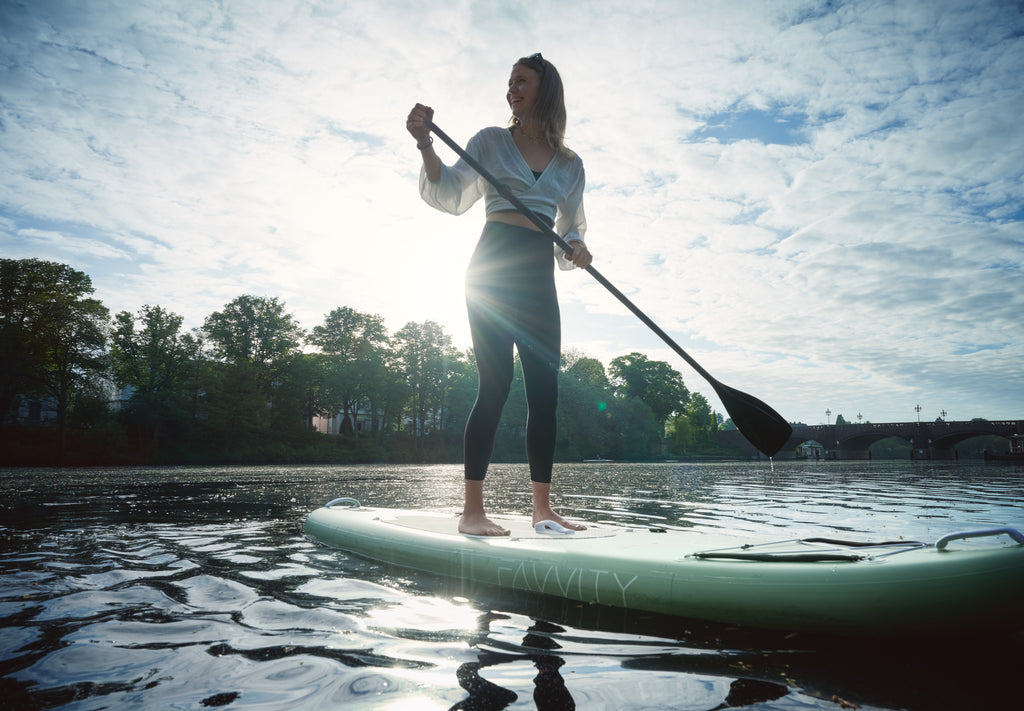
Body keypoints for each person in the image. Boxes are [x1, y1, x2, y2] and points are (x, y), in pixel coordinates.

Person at [406, 53, 592, 536]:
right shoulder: (489, 142)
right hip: (491, 271)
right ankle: (471, 511)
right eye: (509, 83)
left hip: (537, 280)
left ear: (545, 90)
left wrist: (577, 248)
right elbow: (448, 190)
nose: (512, 90)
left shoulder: (571, 166)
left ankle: (542, 510)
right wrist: (425, 143)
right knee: (495, 385)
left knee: (544, 392)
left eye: (522, 82)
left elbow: (571, 230)